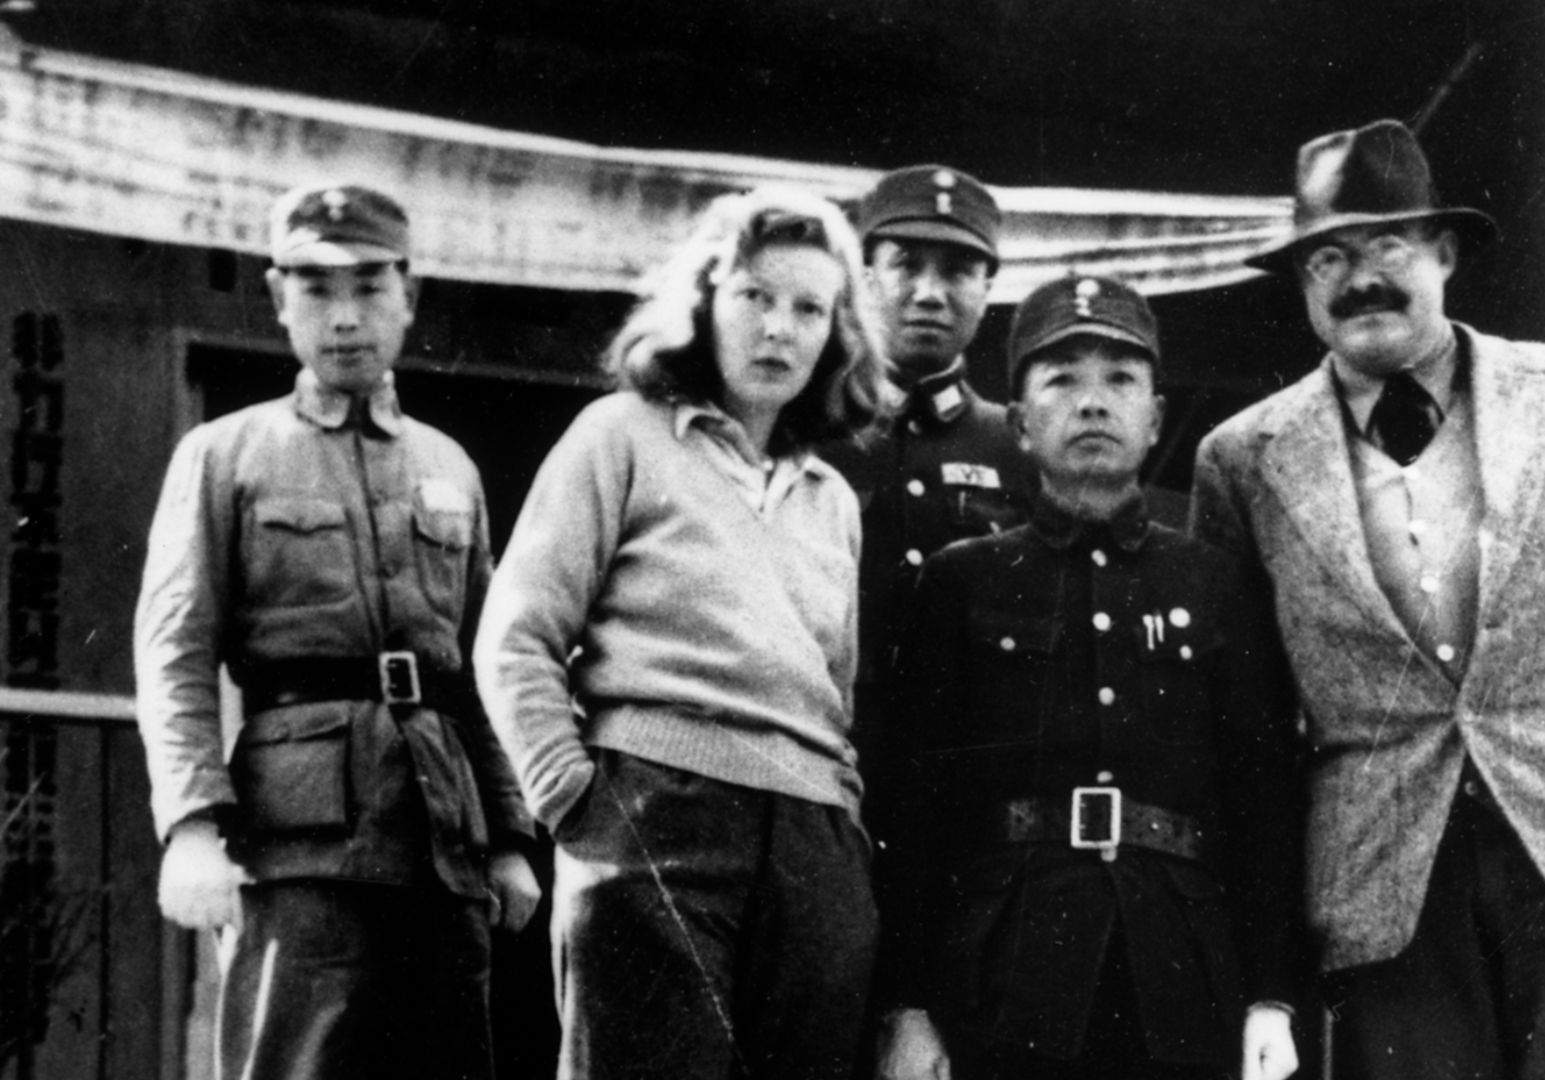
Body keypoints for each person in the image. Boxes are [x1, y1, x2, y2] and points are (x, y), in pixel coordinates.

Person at [1189, 118, 1545, 1080]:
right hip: (1386, 892)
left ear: (1444, 252)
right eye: (1327, 259)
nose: (1360, 279)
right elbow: (1249, 715)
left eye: (1388, 245)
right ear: (1303, 283)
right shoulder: (1242, 460)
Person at [473, 185, 896, 1080]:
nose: (778, 329)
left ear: (837, 334)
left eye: (809, 309)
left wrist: (840, 834)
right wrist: (575, 803)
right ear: (704, 302)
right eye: (754, 296)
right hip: (655, 817)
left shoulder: (832, 500)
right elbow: (515, 635)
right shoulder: (620, 435)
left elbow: (836, 695)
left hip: (813, 842)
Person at [132, 182, 540, 1080]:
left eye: (369, 287)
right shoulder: (225, 454)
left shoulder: (449, 465)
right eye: (317, 290)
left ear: (409, 295)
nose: (345, 317)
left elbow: (482, 669)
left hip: (442, 838)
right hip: (299, 841)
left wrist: (510, 837)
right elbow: (176, 651)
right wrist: (192, 827)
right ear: (279, 298)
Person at [871, 274, 1304, 1080]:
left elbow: (1263, 801)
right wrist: (909, 1005)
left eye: (1120, 379)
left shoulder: (1216, 584)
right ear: (1020, 423)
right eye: (1063, 380)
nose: (1094, 402)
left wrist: (1271, 999)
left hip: (1181, 977)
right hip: (1004, 976)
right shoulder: (961, 581)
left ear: (1156, 418)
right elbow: (915, 805)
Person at [819, 164, 1035, 732]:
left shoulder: (1019, 445)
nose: (930, 294)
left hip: (966, 751)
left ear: (987, 290)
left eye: (958, 271)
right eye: (906, 265)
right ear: (865, 277)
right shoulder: (810, 431)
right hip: (829, 742)